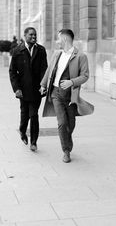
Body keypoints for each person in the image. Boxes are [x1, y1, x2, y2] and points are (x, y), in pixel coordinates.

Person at [40, 29, 94, 163]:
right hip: (55, 93)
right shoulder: (57, 54)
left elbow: (85, 76)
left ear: (64, 39)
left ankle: (66, 140)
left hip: (71, 97)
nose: (57, 41)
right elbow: (49, 70)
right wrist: (43, 85)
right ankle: (66, 150)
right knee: (62, 123)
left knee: (70, 124)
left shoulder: (80, 56)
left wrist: (72, 82)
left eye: (58, 39)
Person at [9, 27, 47, 151]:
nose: (34, 37)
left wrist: (43, 85)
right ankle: (22, 131)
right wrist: (16, 89)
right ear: (25, 35)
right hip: (23, 90)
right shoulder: (17, 51)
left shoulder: (41, 50)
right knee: (25, 115)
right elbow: (12, 72)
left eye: (35, 35)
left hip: (36, 90)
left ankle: (34, 142)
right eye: (31, 35)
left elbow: (44, 69)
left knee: (34, 115)